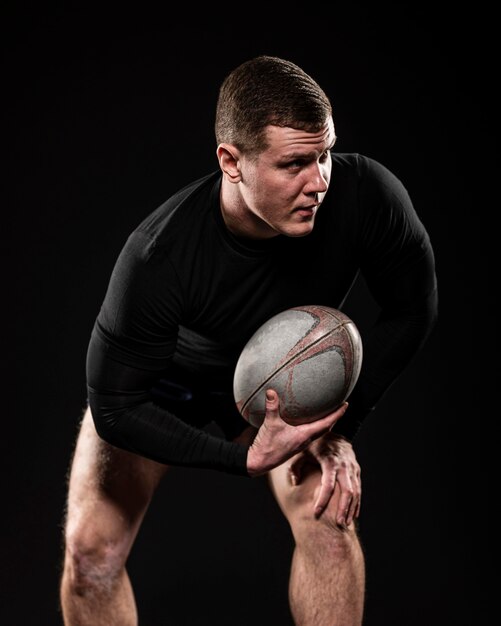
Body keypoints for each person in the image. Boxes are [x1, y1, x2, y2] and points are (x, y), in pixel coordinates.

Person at [59, 55, 438, 626]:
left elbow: (413, 308)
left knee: (330, 526)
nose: (319, 182)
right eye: (294, 164)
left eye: (325, 155)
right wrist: (239, 458)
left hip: (282, 387)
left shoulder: (365, 197)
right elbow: (114, 404)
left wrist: (342, 425)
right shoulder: (158, 256)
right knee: (91, 555)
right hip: (166, 388)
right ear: (230, 161)